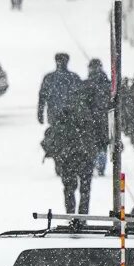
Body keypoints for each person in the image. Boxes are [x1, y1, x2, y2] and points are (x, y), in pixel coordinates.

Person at [38, 53, 101, 214]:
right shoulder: (74, 81)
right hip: (80, 151)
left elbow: (43, 96)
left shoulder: (56, 79)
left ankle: (73, 214)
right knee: (83, 188)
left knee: (70, 187)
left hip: (69, 149)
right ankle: (79, 215)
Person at [83, 58, 112, 176]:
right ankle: (101, 164)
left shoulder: (86, 84)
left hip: (90, 119)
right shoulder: (108, 84)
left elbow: (82, 103)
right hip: (105, 118)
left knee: (92, 141)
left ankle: (95, 162)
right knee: (103, 143)